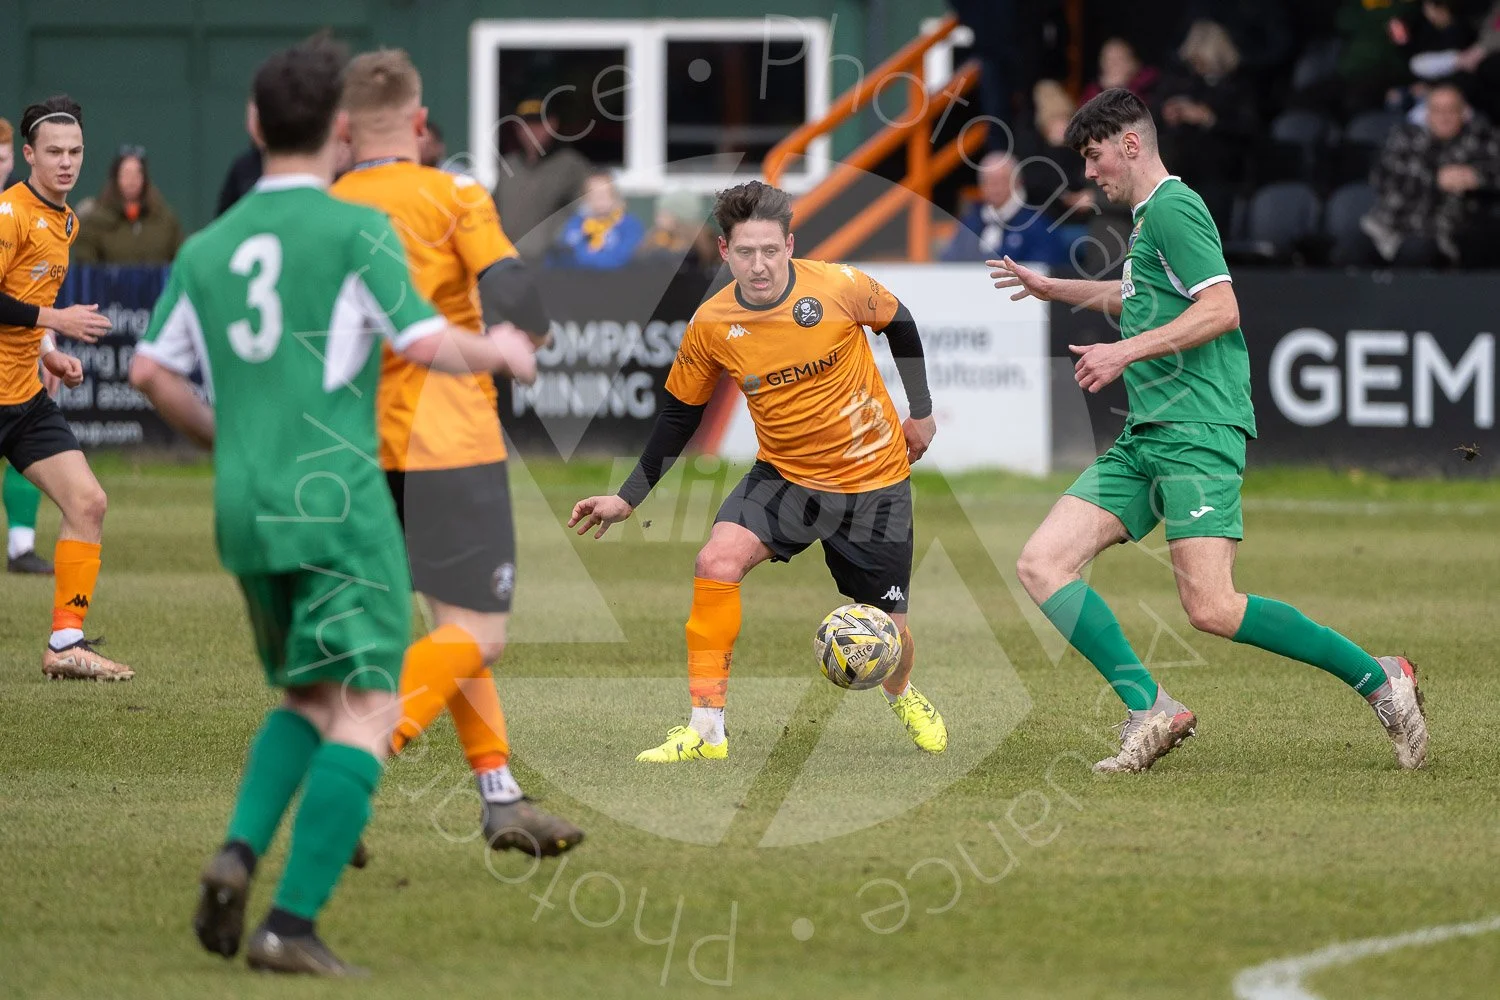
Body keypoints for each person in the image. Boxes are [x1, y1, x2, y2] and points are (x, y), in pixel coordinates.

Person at [128, 38, 540, 976]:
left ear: (251, 123)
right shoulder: (354, 232)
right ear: (340, 130)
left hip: (245, 507)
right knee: (367, 704)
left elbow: (150, 372)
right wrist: (506, 354)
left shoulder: (208, 242)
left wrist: (223, 440)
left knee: (309, 695)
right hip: (339, 497)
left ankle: (238, 850)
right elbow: (431, 341)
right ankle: (291, 923)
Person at [989, 88, 1428, 775]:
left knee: (1212, 607)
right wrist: (1054, 288)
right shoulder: (1146, 221)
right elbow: (1133, 295)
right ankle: (1151, 709)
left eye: (1095, 156)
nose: (1090, 173)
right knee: (1042, 563)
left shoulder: (1175, 207)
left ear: (1131, 145)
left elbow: (1222, 307)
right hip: (1147, 434)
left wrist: (1123, 352)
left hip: (1197, 428)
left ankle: (1381, 676)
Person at [569, 180, 948, 763]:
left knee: (889, 634)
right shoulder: (712, 324)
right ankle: (706, 730)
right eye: (745, 252)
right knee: (714, 562)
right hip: (785, 476)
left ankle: (901, 694)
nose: (760, 264)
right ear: (724, 251)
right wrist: (629, 498)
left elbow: (902, 323)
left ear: (790, 243)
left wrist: (918, 414)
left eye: (771, 250)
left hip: (874, 481)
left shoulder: (838, 286)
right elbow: (678, 418)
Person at [330, 48, 582, 856]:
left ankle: (500, 796)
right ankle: (345, 775)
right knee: (480, 632)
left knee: (449, 626)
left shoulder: (329, 203)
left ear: (343, 128)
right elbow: (510, 289)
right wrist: (530, 335)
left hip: (360, 444)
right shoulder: (453, 192)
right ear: (417, 121)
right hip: (448, 435)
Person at [0, 96, 132, 680]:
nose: (66, 162)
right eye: (53, 151)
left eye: (75, 151)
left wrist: (51, 355)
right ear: (28, 155)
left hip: (23, 399)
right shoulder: (9, 214)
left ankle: (66, 642)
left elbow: (32, 303)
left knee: (88, 502)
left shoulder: (68, 219)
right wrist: (54, 324)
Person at [1360, 83, 1500, 266]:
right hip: (1391, 225)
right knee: (1350, 250)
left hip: (1445, 231)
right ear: (1427, 114)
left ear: (1464, 113)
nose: (1444, 117)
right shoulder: (1405, 138)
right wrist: (1436, 179)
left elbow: (1493, 173)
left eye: (1451, 110)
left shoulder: (1482, 141)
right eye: (1437, 110)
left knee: (1419, 250)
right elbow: (1384, 178)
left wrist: (1477, 177)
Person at [0, 115, 53, 575]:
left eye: (1, 158)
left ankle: (20, 546)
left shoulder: (28, 212)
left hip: (14, 375)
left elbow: (30, 293)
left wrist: (48, 346)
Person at [1154, 20, 1258, 232]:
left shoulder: (1240, 86)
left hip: (1224, 174)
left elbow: (1250, 129)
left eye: (1201, 60)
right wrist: (1171, 112)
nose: (1196, 66)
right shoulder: (1187, 83)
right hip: (1185, 172)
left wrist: (1208, 119)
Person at [489, 97, 591, 263]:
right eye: (526, 125)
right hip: (508, 262)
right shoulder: (509, 165)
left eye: (539, 125)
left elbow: (588, 214)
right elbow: (493, 212)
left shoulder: (571, 165)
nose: (532, 131)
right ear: (517, 129)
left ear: (553, 125)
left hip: (551, 265)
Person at [942, 151, 1068, 265]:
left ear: (1017, 182)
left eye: (1001, 181)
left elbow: (1043, 269)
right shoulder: (971, 222)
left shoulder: (1037, 224)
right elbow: (950, 261)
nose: (995, 188)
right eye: (989, 181)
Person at [72, 147, 184, 264]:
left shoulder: (165, 219)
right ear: (116, 177)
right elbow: (86, 268)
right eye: (126, 173)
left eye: (137, 173)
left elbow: (180, 259)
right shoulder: (95, 222)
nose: (132, 179)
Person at [558, 172, 645, 268]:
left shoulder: (630, 225)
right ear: (586, 198)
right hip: (580, 280)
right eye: (594, 193)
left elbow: (623, 258)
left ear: (614, 195)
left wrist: (589, 256)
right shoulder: (575, 224)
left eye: (605, 193)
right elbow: (565, 257)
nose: (600, 198)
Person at [635, 189, 718, 272]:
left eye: (663, 215)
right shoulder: (657, 238)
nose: (657, 220)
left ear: (679, 218)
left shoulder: (703, 244)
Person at [1081, 38, 1160, 103]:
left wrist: (1120, 88)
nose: (1113, 64)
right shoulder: (1092, 90)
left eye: (1119, 59)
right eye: (1108, 60)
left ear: (1132, 63)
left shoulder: (1149, 83)